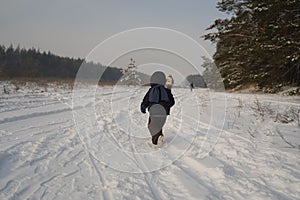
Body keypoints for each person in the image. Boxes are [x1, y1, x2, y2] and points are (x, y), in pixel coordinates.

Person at [140, 71, 175, 145]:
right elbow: (172, 102)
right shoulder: (166, 91)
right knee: (158, 125)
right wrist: (166, 106)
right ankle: (160, 137)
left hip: (154, 112)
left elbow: (146, 100)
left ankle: (157, 140)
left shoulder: (151, 90)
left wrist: (143, 107)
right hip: (163, 113)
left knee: (151, 126)